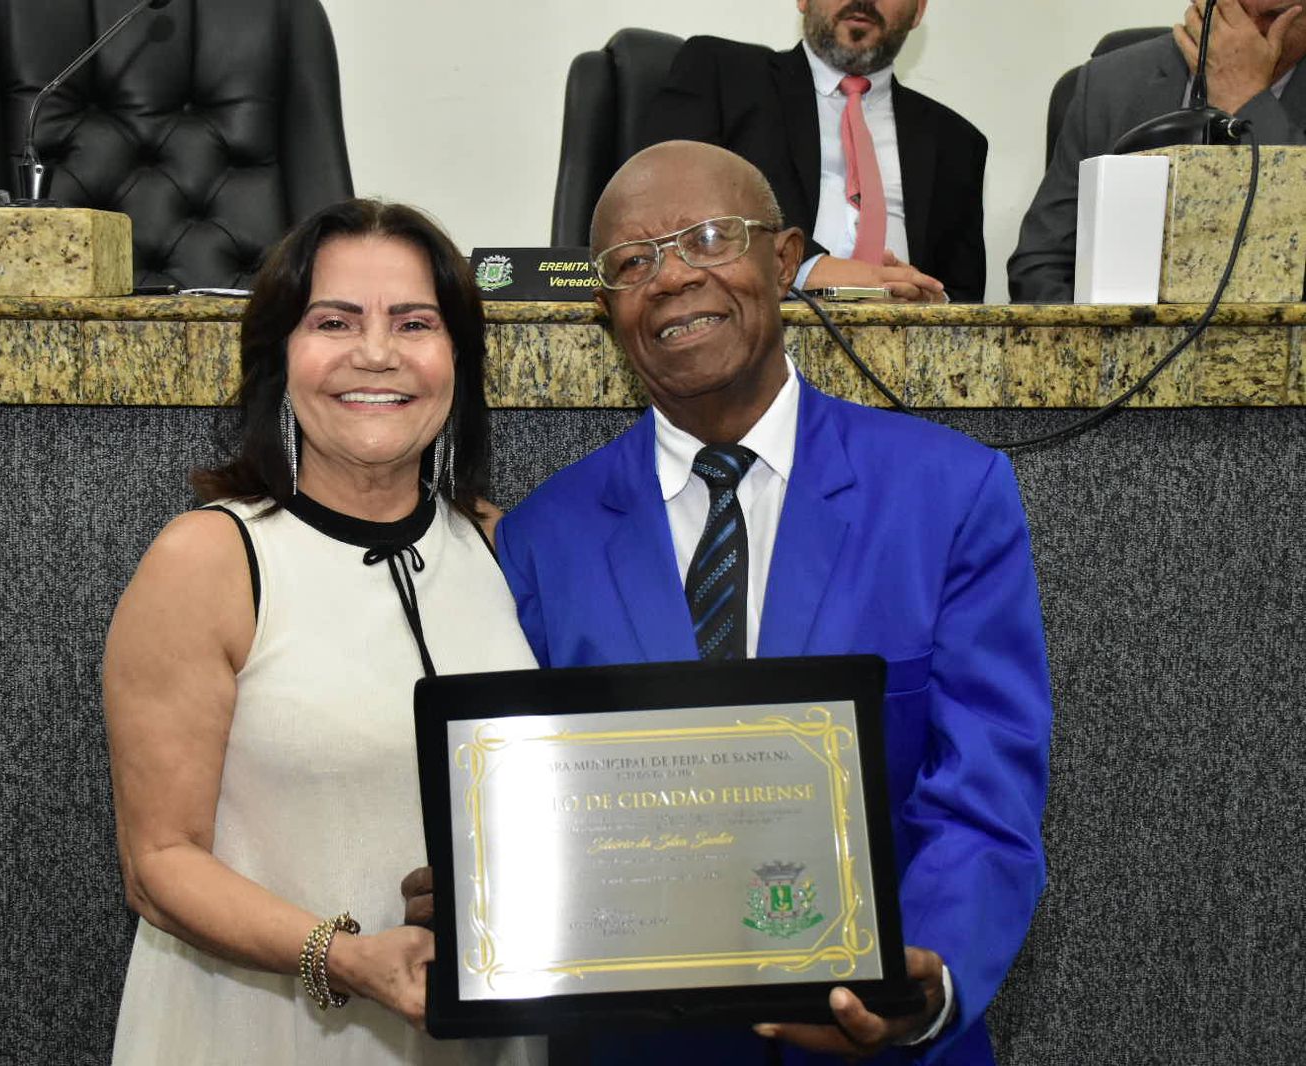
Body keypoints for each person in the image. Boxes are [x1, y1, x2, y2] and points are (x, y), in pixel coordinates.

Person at [469, 141, 1051, 1064]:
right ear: (605, 309)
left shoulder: (948, 495)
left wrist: (925, 982)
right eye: (633, 261)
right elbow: (545, 813)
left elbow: (986, 787)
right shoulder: (542, 539)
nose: (671, 278)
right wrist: (483, 878)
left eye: (708, 238)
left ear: (783, 262)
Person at [104, 198, 543, 1066]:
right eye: (334, 322)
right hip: (258, 1033)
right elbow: (158, 863)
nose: (376, 353)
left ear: (458, 361)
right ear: (281, 357)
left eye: (414, 323)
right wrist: (341, 957)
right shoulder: (209, 560)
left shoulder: (502, 548)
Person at [640, 0, 987, 303]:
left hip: (904, 345)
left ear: (918, 10)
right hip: (753, 335)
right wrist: (804, 268)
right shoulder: (723, 75)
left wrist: (933, 300)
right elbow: (663, 197)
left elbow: (965, 297)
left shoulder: (957, 141)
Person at [1009, 0, 1306, 302]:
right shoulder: (1111, 83)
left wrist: (1248, 101)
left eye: (1274, 17)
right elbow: (1040, 266)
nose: (1245, 36)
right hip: (1122, 327)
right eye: (1234, 11)